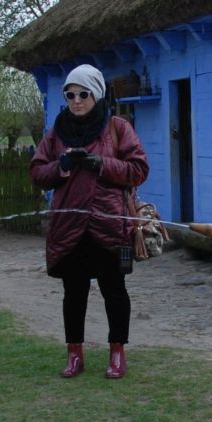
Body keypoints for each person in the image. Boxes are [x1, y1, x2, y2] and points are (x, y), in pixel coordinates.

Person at [28, 64, 149, 379]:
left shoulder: (117, 127)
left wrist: (102, 164)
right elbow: (37, 172)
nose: (76, 100)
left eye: (83, 94)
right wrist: (61, 167)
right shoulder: (56, 133)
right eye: (70, 94)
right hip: (70, 225)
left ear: (95, 94)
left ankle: (117, 353)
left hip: (110, 224)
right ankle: (74, 354)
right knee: (74, 291)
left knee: (114, 289)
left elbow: (138, 169)